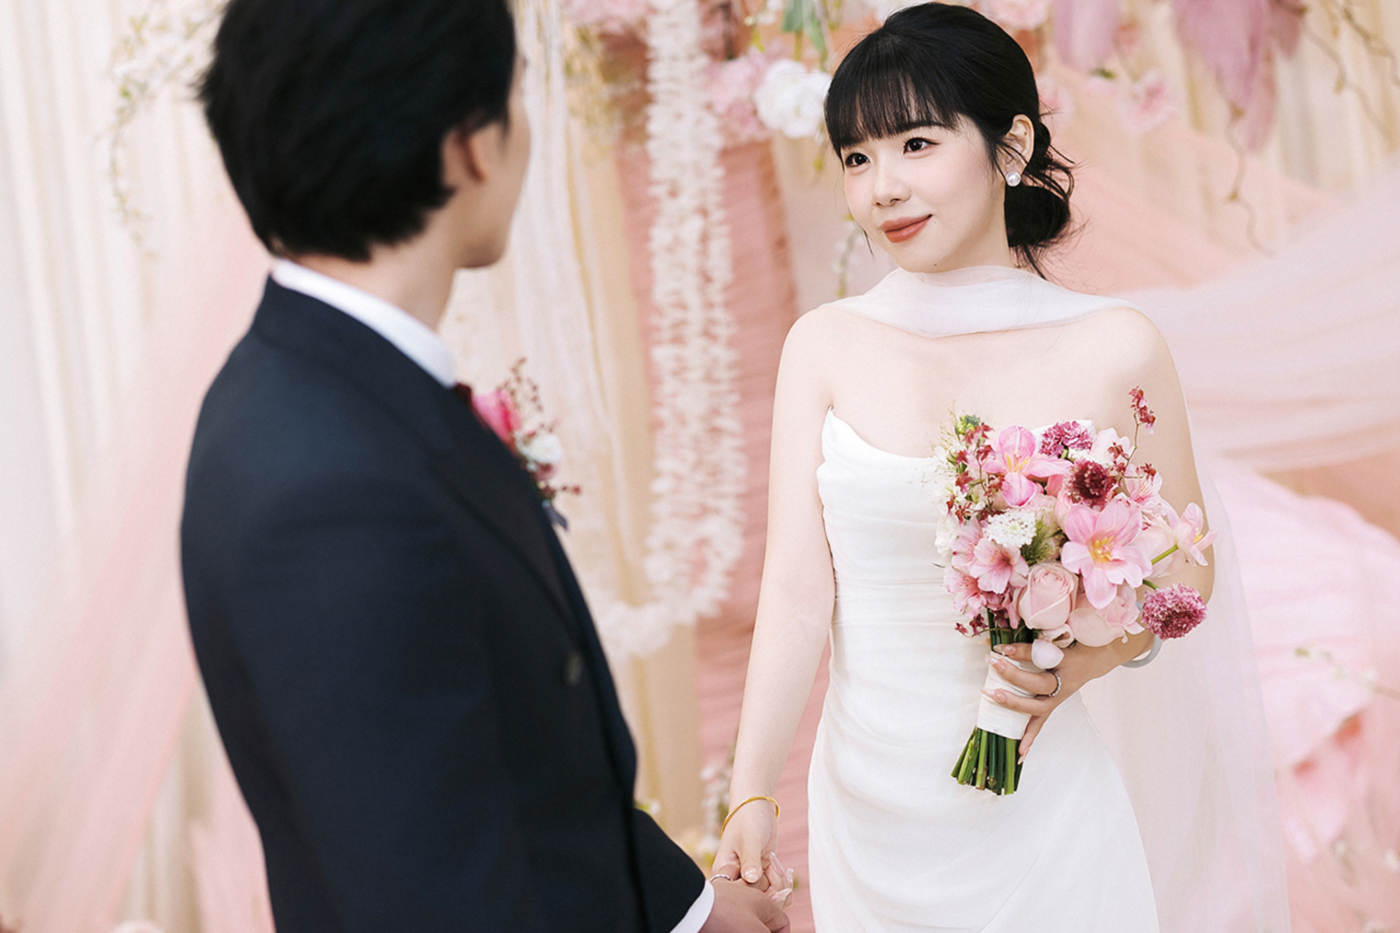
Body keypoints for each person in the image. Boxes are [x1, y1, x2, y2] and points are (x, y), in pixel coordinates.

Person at [180, 1, 788, 931]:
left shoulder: (323, 384)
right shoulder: (332, 494)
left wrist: (690, 910)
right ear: (469, 144)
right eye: (517, 94)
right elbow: (430, 893)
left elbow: (515, 768)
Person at [712, 5, 1289, 931]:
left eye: (916, 144)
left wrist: (1080, 663)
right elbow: (794, 591)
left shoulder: (1115, 345)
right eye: (857, 158)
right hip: (870, 813)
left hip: (1043, 808)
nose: (883, 188)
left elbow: (1187, 568)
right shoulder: (823, 345)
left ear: (1011, 145)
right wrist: (752, 792)